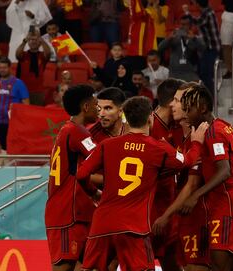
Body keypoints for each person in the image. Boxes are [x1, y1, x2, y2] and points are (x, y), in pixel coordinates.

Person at [76, 96, 208, 271]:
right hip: (134, 226)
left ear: (127, 119)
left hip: (103, 223)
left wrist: (93, 192)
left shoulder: (107, 145)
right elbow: (187, 161)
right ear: (150, 118)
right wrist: (197, 142)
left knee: (88, 268)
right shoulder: (158, 148)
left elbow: (81, 174)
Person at [180, 84, 233, 271]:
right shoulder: (225, 126)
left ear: (203, 108)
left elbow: (224, 171)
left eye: (189, 110)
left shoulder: (213, 132)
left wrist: (195, 195)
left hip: (228, 204)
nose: (185, 115)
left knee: (218, 266)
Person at [152, 82, 211, 271]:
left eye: (178, 100)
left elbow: (192, 184)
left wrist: (166, 216)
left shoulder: (201, 136)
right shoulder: (180, 133)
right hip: (176, 211)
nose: (172, 105)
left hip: (195, 213)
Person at [45, 84, 100, 271]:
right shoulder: (77, 131)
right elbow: (102, 161)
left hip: (69, 211)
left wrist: (94, 192)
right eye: (95, 104)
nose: (98, 108)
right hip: (67, 213)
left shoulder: (66, 131)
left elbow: (77, 172)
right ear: (85, 107)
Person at [149, 78, 185, 271]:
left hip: (170, 209)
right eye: (182, 99)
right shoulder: (147, 128)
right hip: (148, 212)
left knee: (172, 264)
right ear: (172, 101)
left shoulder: (178, 126)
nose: (185, 104)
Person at [0, 57, 30, 150]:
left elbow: (26, 105)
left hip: (11, 123)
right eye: (0, 67)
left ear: (10, 68)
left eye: (5, 67)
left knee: (9, 148)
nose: (2, 70)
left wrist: (23, 123)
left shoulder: (18, 83)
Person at [184, 0, 221, 94]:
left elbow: (197, 22)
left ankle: (212, 98)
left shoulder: (207, 13)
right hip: (207, 48)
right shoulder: (207, 12)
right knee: (202, 73)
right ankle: (209, 96)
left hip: (211, 48)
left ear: (197, 4)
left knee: (206, 74)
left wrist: (187, 12)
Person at [158, 15, 205, 82]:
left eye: (185, 24)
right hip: (174, 73)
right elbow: (160, 48)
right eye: (181, 24)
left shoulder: (195, 38)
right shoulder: (174, 37)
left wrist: (194, 39)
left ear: (190, 25)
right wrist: (169, 38)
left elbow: (203, 48)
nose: (182, 26)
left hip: (190, 73)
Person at [16, 29, 51, 104]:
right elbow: (17, 54)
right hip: (23, 90)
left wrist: (42, 40)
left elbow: (48, 54)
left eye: (35, 39)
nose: (33, 41)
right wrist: (24, 40)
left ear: (39, 42)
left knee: (37, 113)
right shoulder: (24, 55)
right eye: (31, 39)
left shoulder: (42, 55)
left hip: (38, 91)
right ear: (28, 42)